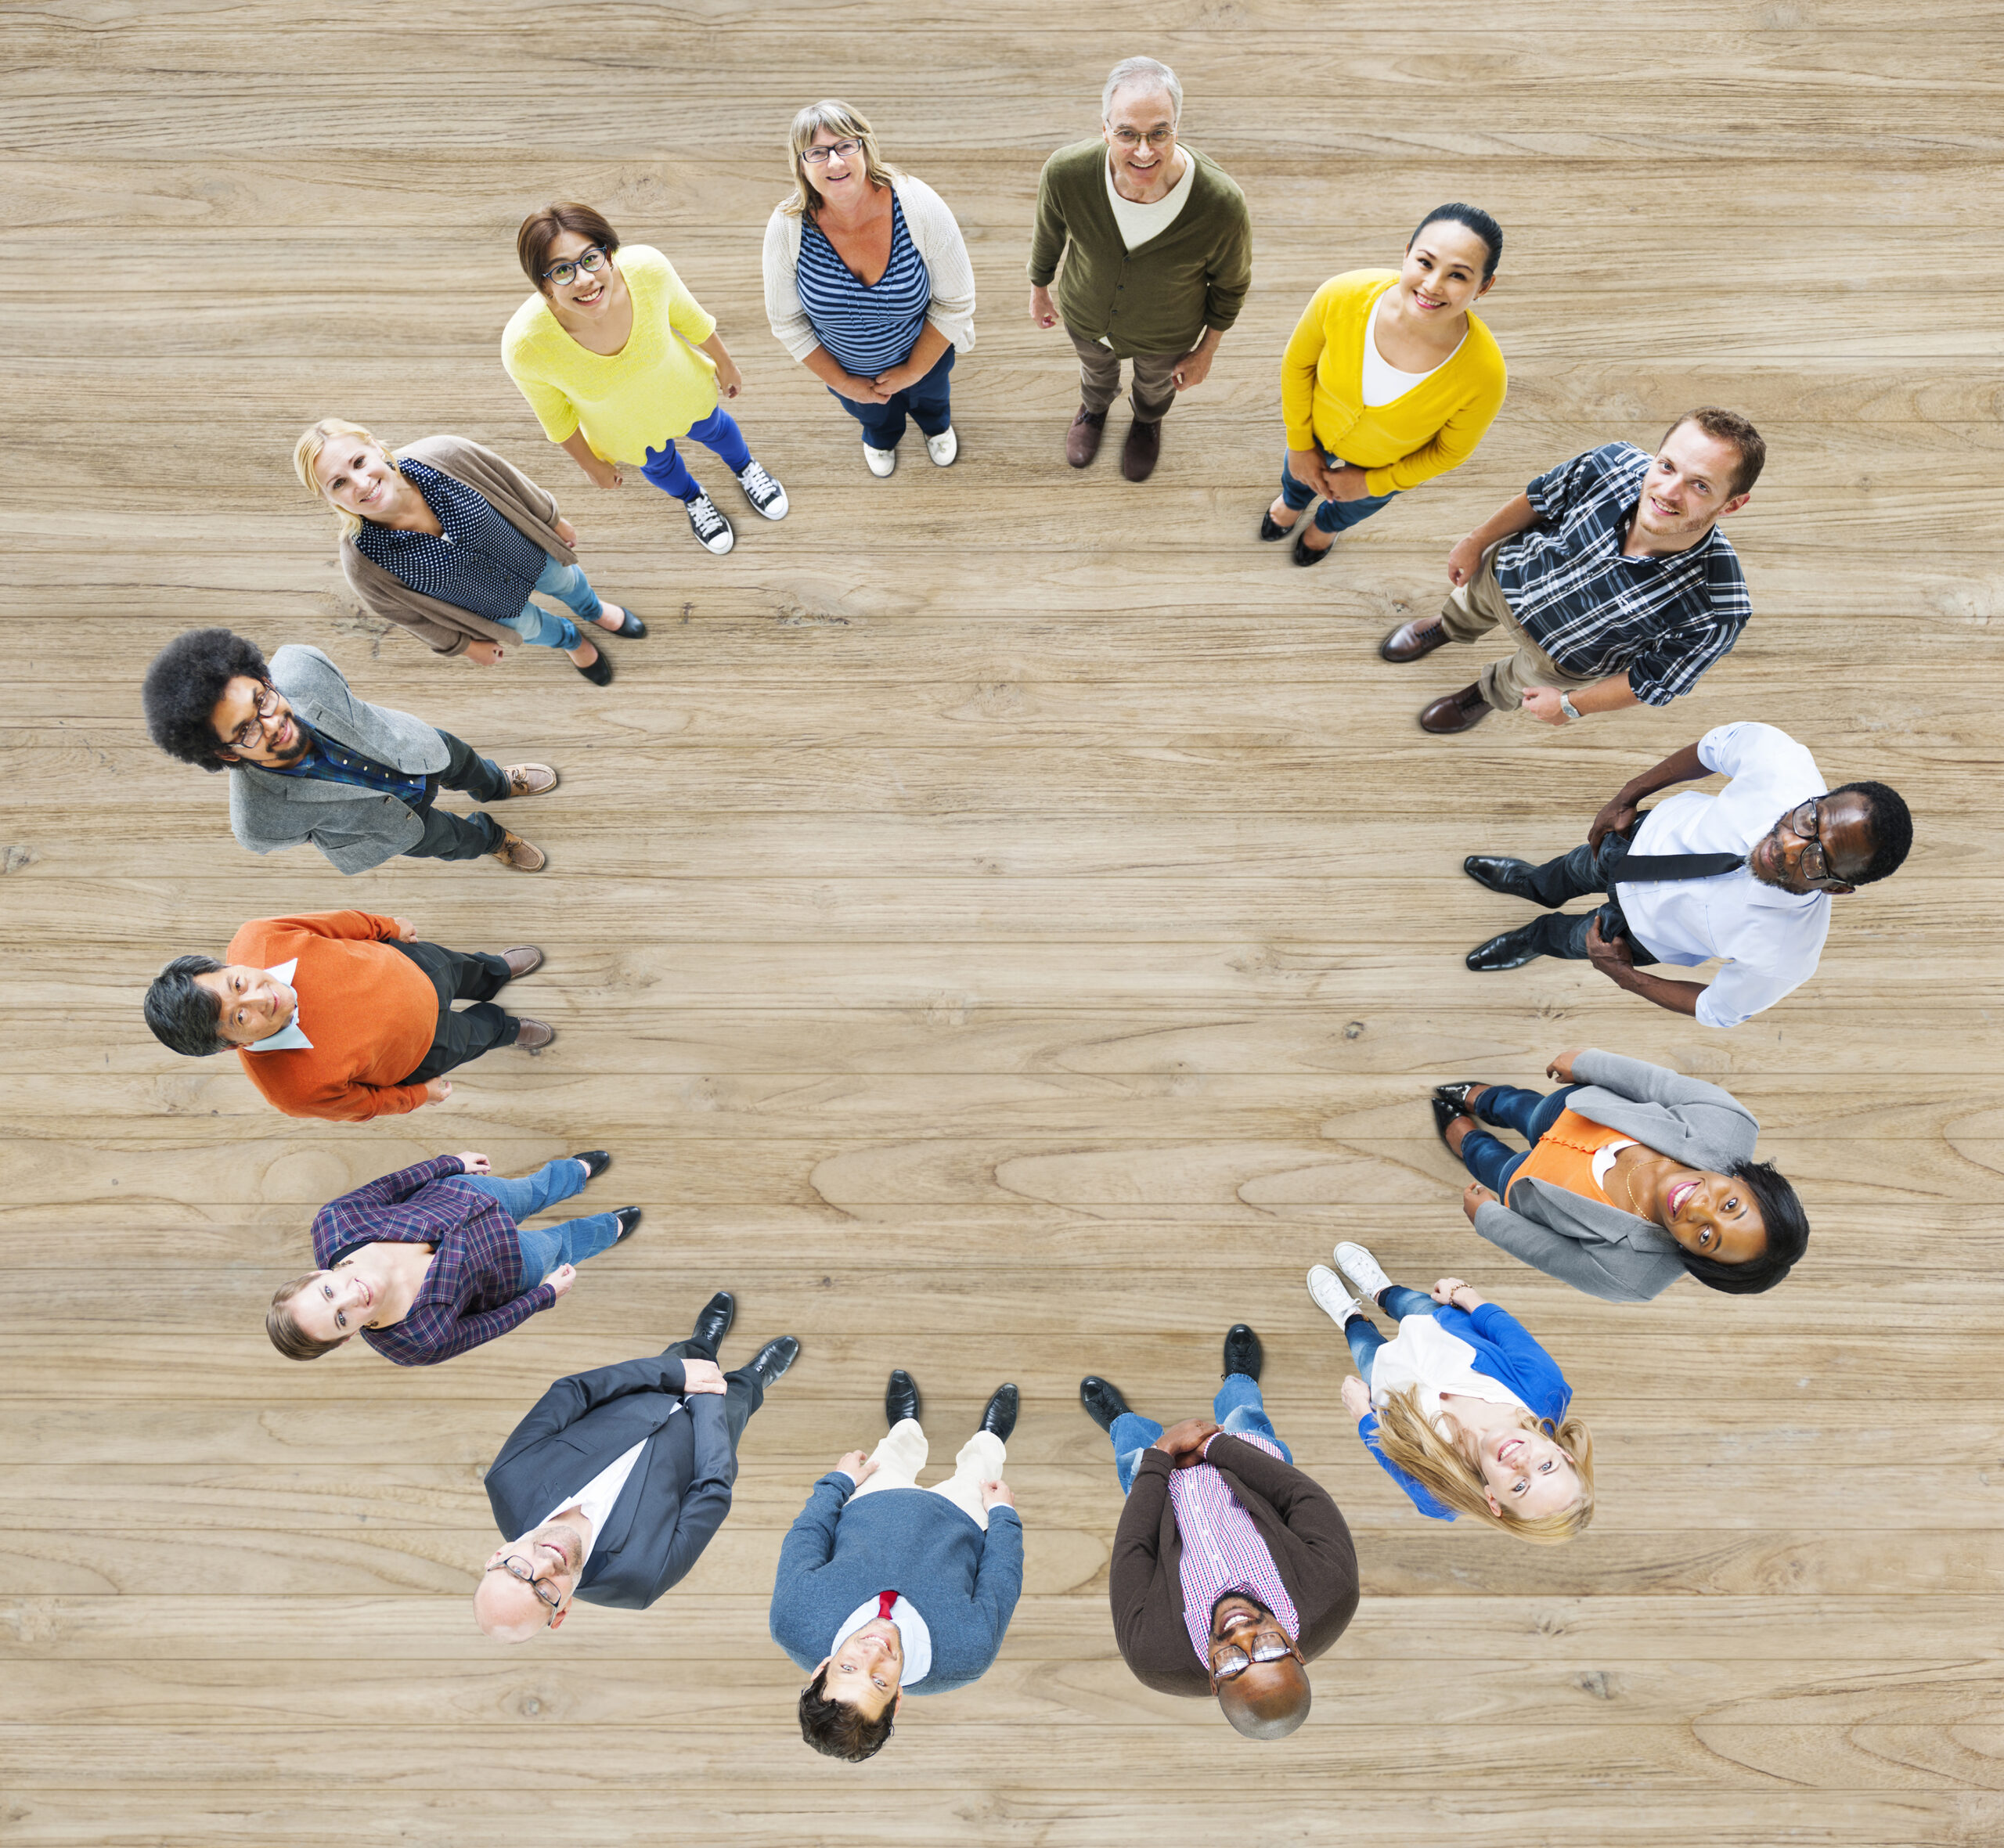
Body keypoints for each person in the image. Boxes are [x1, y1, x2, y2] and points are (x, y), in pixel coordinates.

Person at [1462, 721, 1914, 1026]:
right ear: (1816, 799)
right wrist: (1629, 794)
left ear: (1837, 888)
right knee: (1563, 872)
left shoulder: (1787, 957)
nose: (1788, 846)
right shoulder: (1783, 766)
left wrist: (1627, 977)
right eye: (1810, 821)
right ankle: (1534, 885)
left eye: (1817, 859)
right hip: (1632, 843)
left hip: (1633, 935)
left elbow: (1716, 1008)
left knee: (1563, 939)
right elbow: (1712, 749)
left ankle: (1532, 940)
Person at [1379, 409, 1764, 733]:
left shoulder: (1716, 609)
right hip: (1510, 577)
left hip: (1564, 658)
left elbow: (1651, 681)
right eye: (1666, 466)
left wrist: (1571, 705)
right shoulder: (1610, 464)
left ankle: (1481, 696)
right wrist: (1476, 541)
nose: (1667, 492)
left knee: (1516, 683)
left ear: (1732, 505)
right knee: (1467, 606)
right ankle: (1446, 628)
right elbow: (1540, 498)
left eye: (1699, 485)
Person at [1079, 1326, 1358, 1739]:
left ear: (1212, 1681)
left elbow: (1132, 1550)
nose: (1242, 1633)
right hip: (1244, 1464)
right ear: (1296, 1651)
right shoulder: (1332, 1594)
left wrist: (1161, 1457)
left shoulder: (1153, 1656)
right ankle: (1239, 1380)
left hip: (1160, 1498)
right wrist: (1215, 1446)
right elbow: (1302, 1498)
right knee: (1245, 1417)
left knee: (1133, 1455)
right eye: (1267, 1650)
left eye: (1230, 1663)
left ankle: (1123, 1424)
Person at [476, 1295, 800, 1638]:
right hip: (710, 1436)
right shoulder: (640, 1583)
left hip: (653, 1384)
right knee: (739, 1402)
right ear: (562, 1613)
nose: (545, 1564)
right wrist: (708, 1402)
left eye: (517, 1571)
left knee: (686, 1354)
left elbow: (573, 1393)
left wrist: (677, 1373)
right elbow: (713, 1493)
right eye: (544, 1593)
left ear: (499, 1554)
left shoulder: (508, 1480)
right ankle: (753, 1379)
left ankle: (702, 1343)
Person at [504, 201, 788, 558]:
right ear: (543, 286)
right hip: (626, 428)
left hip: (683, 389)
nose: (585, 279)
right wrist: (591, 465)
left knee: (717, 429)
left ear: (610, 253)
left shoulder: (647, 270)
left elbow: (690, 318)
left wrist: (725, 363)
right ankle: (692, 498)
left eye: (591, 258)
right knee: (660, 465)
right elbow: (556, 417)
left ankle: (746, 468)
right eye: (561, 271)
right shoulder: (526, 347)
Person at [141, 629, 555, 874]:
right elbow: (305, 837)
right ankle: (494, 840)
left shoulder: (302, 665)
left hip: (409, 746)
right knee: (453, 841)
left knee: (463, 762)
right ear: (226, 755)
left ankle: (498, 783)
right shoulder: (256, 823)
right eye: (246, 730)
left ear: (266, 678)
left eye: (262, 700)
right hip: (390, 825)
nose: (273, 724)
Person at [772, 1369, 1022, 1761]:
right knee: (982, 1469)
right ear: (898, 1699)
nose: (874, 1652)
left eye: (848, 1669)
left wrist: (837, 1483)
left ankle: (904, 1426)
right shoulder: (967, 1657)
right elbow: (1001, 1580)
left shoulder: (793, 1619)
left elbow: (807, 1538)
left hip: (874, 1501)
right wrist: (1003, 1515)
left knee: (892, 1453)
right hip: (962, 1520)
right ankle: (990, 1438)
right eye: (879, 1681)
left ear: (821, 1668)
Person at [1431, 1048, 1811, 1302]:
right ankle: (1480, 1098)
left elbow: (1549, 1253)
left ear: (1697, 1259)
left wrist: (1488, 1219)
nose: (1697, 1209)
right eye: (1730, 1204)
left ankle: (1467, 1138)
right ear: (1749, 1183)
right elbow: (1658, 1084)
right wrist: (1587, 1063)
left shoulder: (1633, 1278)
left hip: (1528, 1184)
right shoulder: (1731, 1125)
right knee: (1518, 1106)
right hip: (1570, 1112)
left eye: (1707, 1237)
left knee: (1485, 1157)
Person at [1028, 56, 1251, 482]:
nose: (1144, 151)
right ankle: (1094, 410)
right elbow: (1048, 233)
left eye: (1159, 133)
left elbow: (1232, 285)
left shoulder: (1221, 203)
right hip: (1086, 314)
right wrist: (1039, 287)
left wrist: (1207, 350)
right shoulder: (1066, 173)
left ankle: (1147, 420)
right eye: (1127, 133)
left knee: (1155, 385)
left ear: (1176, 129)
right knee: (1096, 371)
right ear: (1105, 128)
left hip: (1167, 333)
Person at [294, 419, 643, 686]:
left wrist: (552, 519)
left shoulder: (444, 454)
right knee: (537, 629)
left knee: (569, 583)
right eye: (338, 483)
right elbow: (411, 618)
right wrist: (464, 645)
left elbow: (508, 479)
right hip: (490, 606)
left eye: (358, 462)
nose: (360, 483)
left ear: (373, 446)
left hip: (529, 554)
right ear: (328, 498)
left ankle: (593, 610)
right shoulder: (362, 563)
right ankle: (572, 640)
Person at [1263, 204, 1507, 568]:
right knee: (1296, 475)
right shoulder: (1342, 295)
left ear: (1484, 286)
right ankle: (1291, 502)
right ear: (1406, 253)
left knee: (1353, 509)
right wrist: (1299, 444)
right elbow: (1298, 364)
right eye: (1425, 262)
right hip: (1312, 433)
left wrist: (1373, 484)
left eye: (1458, 275)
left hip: (1382, 469)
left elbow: (1449, 452)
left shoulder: (1484, 375)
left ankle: (1326, 528)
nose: (1432, 285)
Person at [142, 911, 552, 1122]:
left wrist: (386, 925)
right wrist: (418, 1096)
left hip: (415, 965)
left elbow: (336, 925)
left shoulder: (258, 938)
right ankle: (506, 1029)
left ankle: (494, 972)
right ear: (234, 1045)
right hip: (426, 1050)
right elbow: (365, 1105)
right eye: (240, 1018)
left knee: (466, 967)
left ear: (226, 966)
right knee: (476, 1035)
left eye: (236, 985)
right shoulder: (290, 1091)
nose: (258, 998)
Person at [1306, 1246, 1593, 1542]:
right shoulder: (1546, 1388)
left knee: (1362, 1342)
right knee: (1405, 1301)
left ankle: (1349, 1316)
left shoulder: (1438, 1496)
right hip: (1437, 1327)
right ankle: (1380, 1290)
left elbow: (1389, 1456)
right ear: (1561, 1452)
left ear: (1493, 1500)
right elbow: (1509, 1334)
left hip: (1385, 1382)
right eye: (1546, 1466)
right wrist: (1465, 1294)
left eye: (1519, 1487)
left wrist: (1362, 1415)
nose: (1522, 1462)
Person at [763, 99, 976, 477]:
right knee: (876, 419)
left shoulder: (919, 205)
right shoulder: (786, 228)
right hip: (848, 369)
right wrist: (846, 383)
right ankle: (881, 436)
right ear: (800, 163)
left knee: (933, 400)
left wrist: (912, 371)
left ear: (865, 146)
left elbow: (955, 303)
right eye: (817, 152)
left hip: (925, 358)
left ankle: (936, 427)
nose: (834, 162)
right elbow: (787, 323)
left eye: (845, 145)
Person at [266, 1150, 638, 1365]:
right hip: (510, 1265)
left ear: (318, 1274)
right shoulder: (413, 1343)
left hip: (467, 1195)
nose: (351, 1297)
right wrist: (544, 1297)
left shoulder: (336, 1223)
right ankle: (612, 1227)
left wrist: (450, 1164)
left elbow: (392, 1186)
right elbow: (487, 1326)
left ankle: (575, 1172)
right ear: (347, 1338)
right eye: (342, 1318)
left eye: (329, 1293)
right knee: (563, 1245)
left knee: (532, 1190)